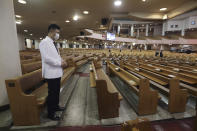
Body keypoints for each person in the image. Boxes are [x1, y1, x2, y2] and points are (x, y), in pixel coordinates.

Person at [39, 24, 67, 120]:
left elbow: (57, 56)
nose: (58, 34)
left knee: (56, 92)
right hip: (50, 73)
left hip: (57, 72)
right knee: (52, 94)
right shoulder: (44, 42)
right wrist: (59, 64)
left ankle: (56, 107)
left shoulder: (54, 43)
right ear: (52, 31)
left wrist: (62, 60)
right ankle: (51, 114)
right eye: (57, 32)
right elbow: (46, 59)